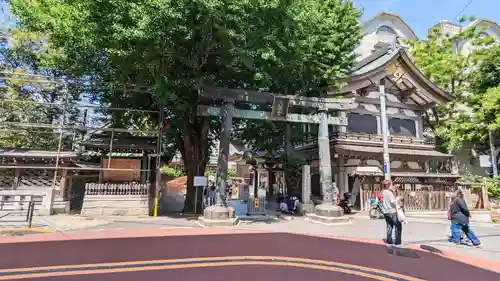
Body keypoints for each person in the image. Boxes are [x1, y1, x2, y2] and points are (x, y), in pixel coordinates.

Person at [380, 180, 403, 247]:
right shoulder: (389, 193)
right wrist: (398, 199)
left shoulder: (382, 192)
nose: (392, 186)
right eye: (391, 185)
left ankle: (389, 240)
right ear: (388, 185)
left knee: (389, 226)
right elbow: (393, 202)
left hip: (385, 212)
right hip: (392, 211)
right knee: (398, 226)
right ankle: (398, 241)